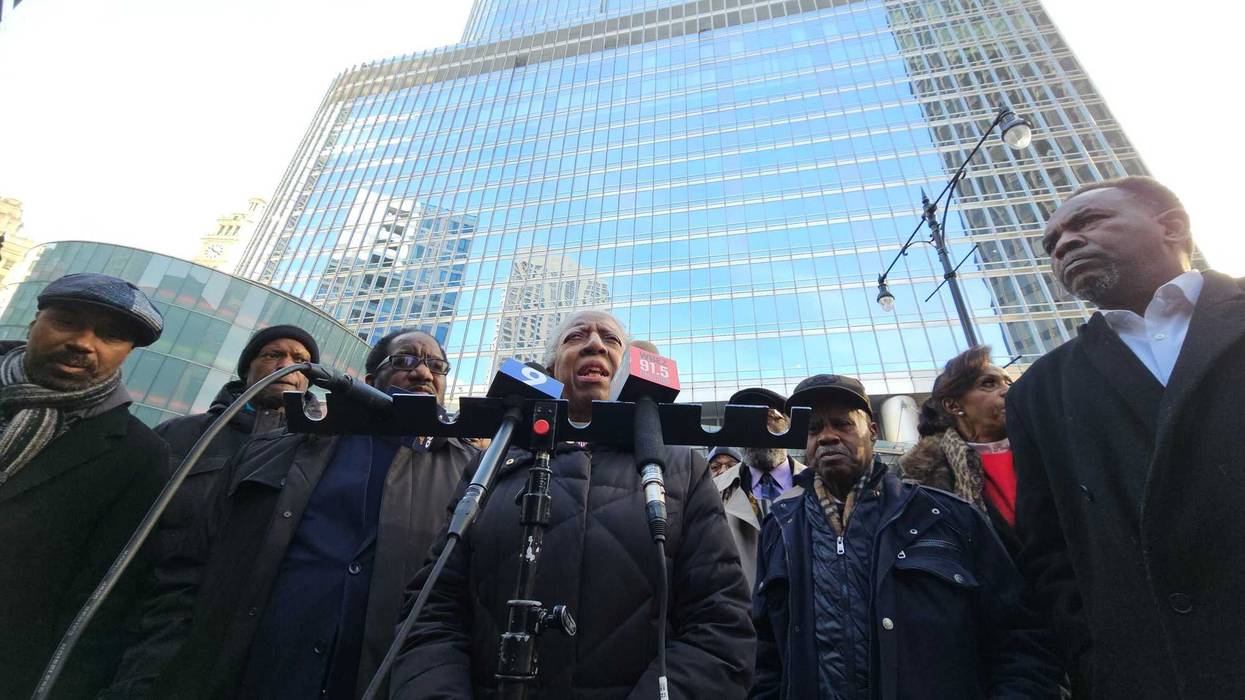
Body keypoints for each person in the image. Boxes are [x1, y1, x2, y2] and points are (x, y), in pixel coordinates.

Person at [390, 309, 755, 698]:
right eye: (576, 337)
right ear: (550, 368)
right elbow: (432, 613)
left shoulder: (680, 468)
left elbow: (721, 626)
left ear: (627, 370)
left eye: (611, 340)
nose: (595, 344)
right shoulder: (492, 464)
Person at [105, 328, 478, 699]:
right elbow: (188, 572)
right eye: (404, 360)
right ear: (367, 381)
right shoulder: (271, 450)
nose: (423, 373)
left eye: (436, 366)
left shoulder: (474, 473)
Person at [1008, 175, 1245, 698]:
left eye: (1088, 221)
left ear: (1172, 226)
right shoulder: (1039, 392)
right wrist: (1097, 661)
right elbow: (1050, 550)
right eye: (1051, 244)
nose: (1064, 243)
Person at [752, 373, 1059, 699]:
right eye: (813, 430)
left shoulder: (948, 517)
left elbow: (1020, 640)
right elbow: (766, 659)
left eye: (842, 424)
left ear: (872, 431)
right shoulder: (778, 530)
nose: (827, 437)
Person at [0, 273, 169, 699]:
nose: (83, 342)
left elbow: (101, 606)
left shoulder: (139, 455)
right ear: (35, 320)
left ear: (127, 352)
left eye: (110, 335)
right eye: (68, 321)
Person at [152, 324, 319, 553]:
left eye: (301, 362)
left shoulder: (320, 449)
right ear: (246, 369)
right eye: (273, 355)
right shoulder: (177, 433)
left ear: (309, 380)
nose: (285, 366)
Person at [899, 346, 1020, 556]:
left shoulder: (1046, 449)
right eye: (989, 383)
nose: (1007, 390)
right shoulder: (920, 479)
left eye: (1008, 382)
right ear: (953, 406)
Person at [729, 387, 807, 512]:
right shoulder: (715, 488)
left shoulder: (818, 483)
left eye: (769, 416)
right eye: (744, 421)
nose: (755, 430)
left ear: (788, 425)